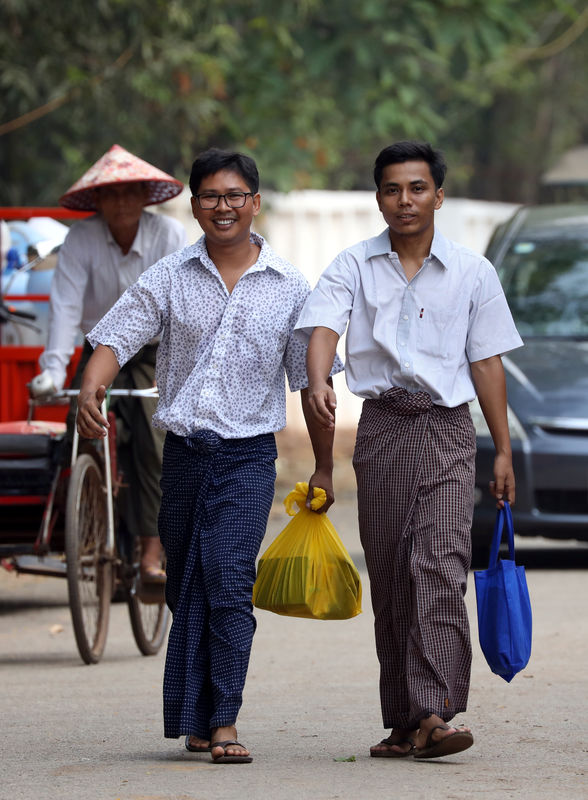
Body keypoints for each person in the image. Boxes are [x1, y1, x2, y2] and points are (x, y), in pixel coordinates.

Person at [74, 148, 341, 763]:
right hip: (185, 458)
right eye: (210, 197)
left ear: (254, 201)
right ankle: (196, 719)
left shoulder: (289, 286)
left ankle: (225, 720)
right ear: (194, 206)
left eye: (235, 195)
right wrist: (94, 384)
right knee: (185, 588)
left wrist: (324, 467)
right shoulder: (169, 276)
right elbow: (117, 334)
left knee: (227, 581)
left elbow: (311, 383)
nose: (223, 207)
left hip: (248, 460)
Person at [296, 141, 523, 760]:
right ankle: (404, 722)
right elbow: (323, 327)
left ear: (439, 196)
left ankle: (436, 712)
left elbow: (487, 362)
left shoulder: (474, 272)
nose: (406, 200)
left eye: (418, 188)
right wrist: (318, 380)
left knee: (440, 565)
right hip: (384, 430)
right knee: (395, 572)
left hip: (449, 429)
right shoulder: (354, 264)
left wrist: (501, 449)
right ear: (379, 199)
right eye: (393, 189)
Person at [29, 144, 187, 582]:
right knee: (78, 431)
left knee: (158, 445)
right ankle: (87, 529)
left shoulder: (169, 236)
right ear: (96, 201)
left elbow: (183, 304)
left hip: (156, 352)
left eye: (130, 192)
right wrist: (53, 371)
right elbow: (64, 308)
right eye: (111, 194)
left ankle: (153, 554)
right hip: (99, 351)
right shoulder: (79, 238)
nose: (121, 203)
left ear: (145, 196)